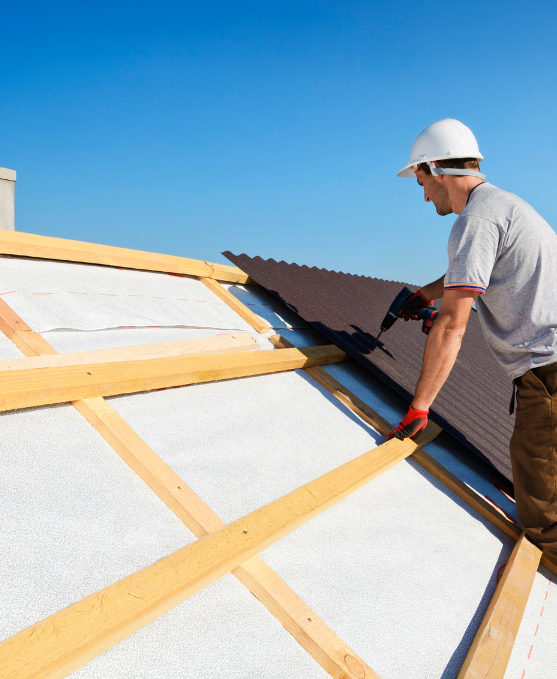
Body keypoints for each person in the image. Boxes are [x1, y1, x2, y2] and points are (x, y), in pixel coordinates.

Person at [388, 118, 557, 560]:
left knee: (541, 509)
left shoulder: (476, 220)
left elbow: (451, 326)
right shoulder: (503, 206)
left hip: (549, 372)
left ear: (436, 169)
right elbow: (470, 275)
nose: (424, 195)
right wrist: (424, 294)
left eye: (423, 182)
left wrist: (419, 408)